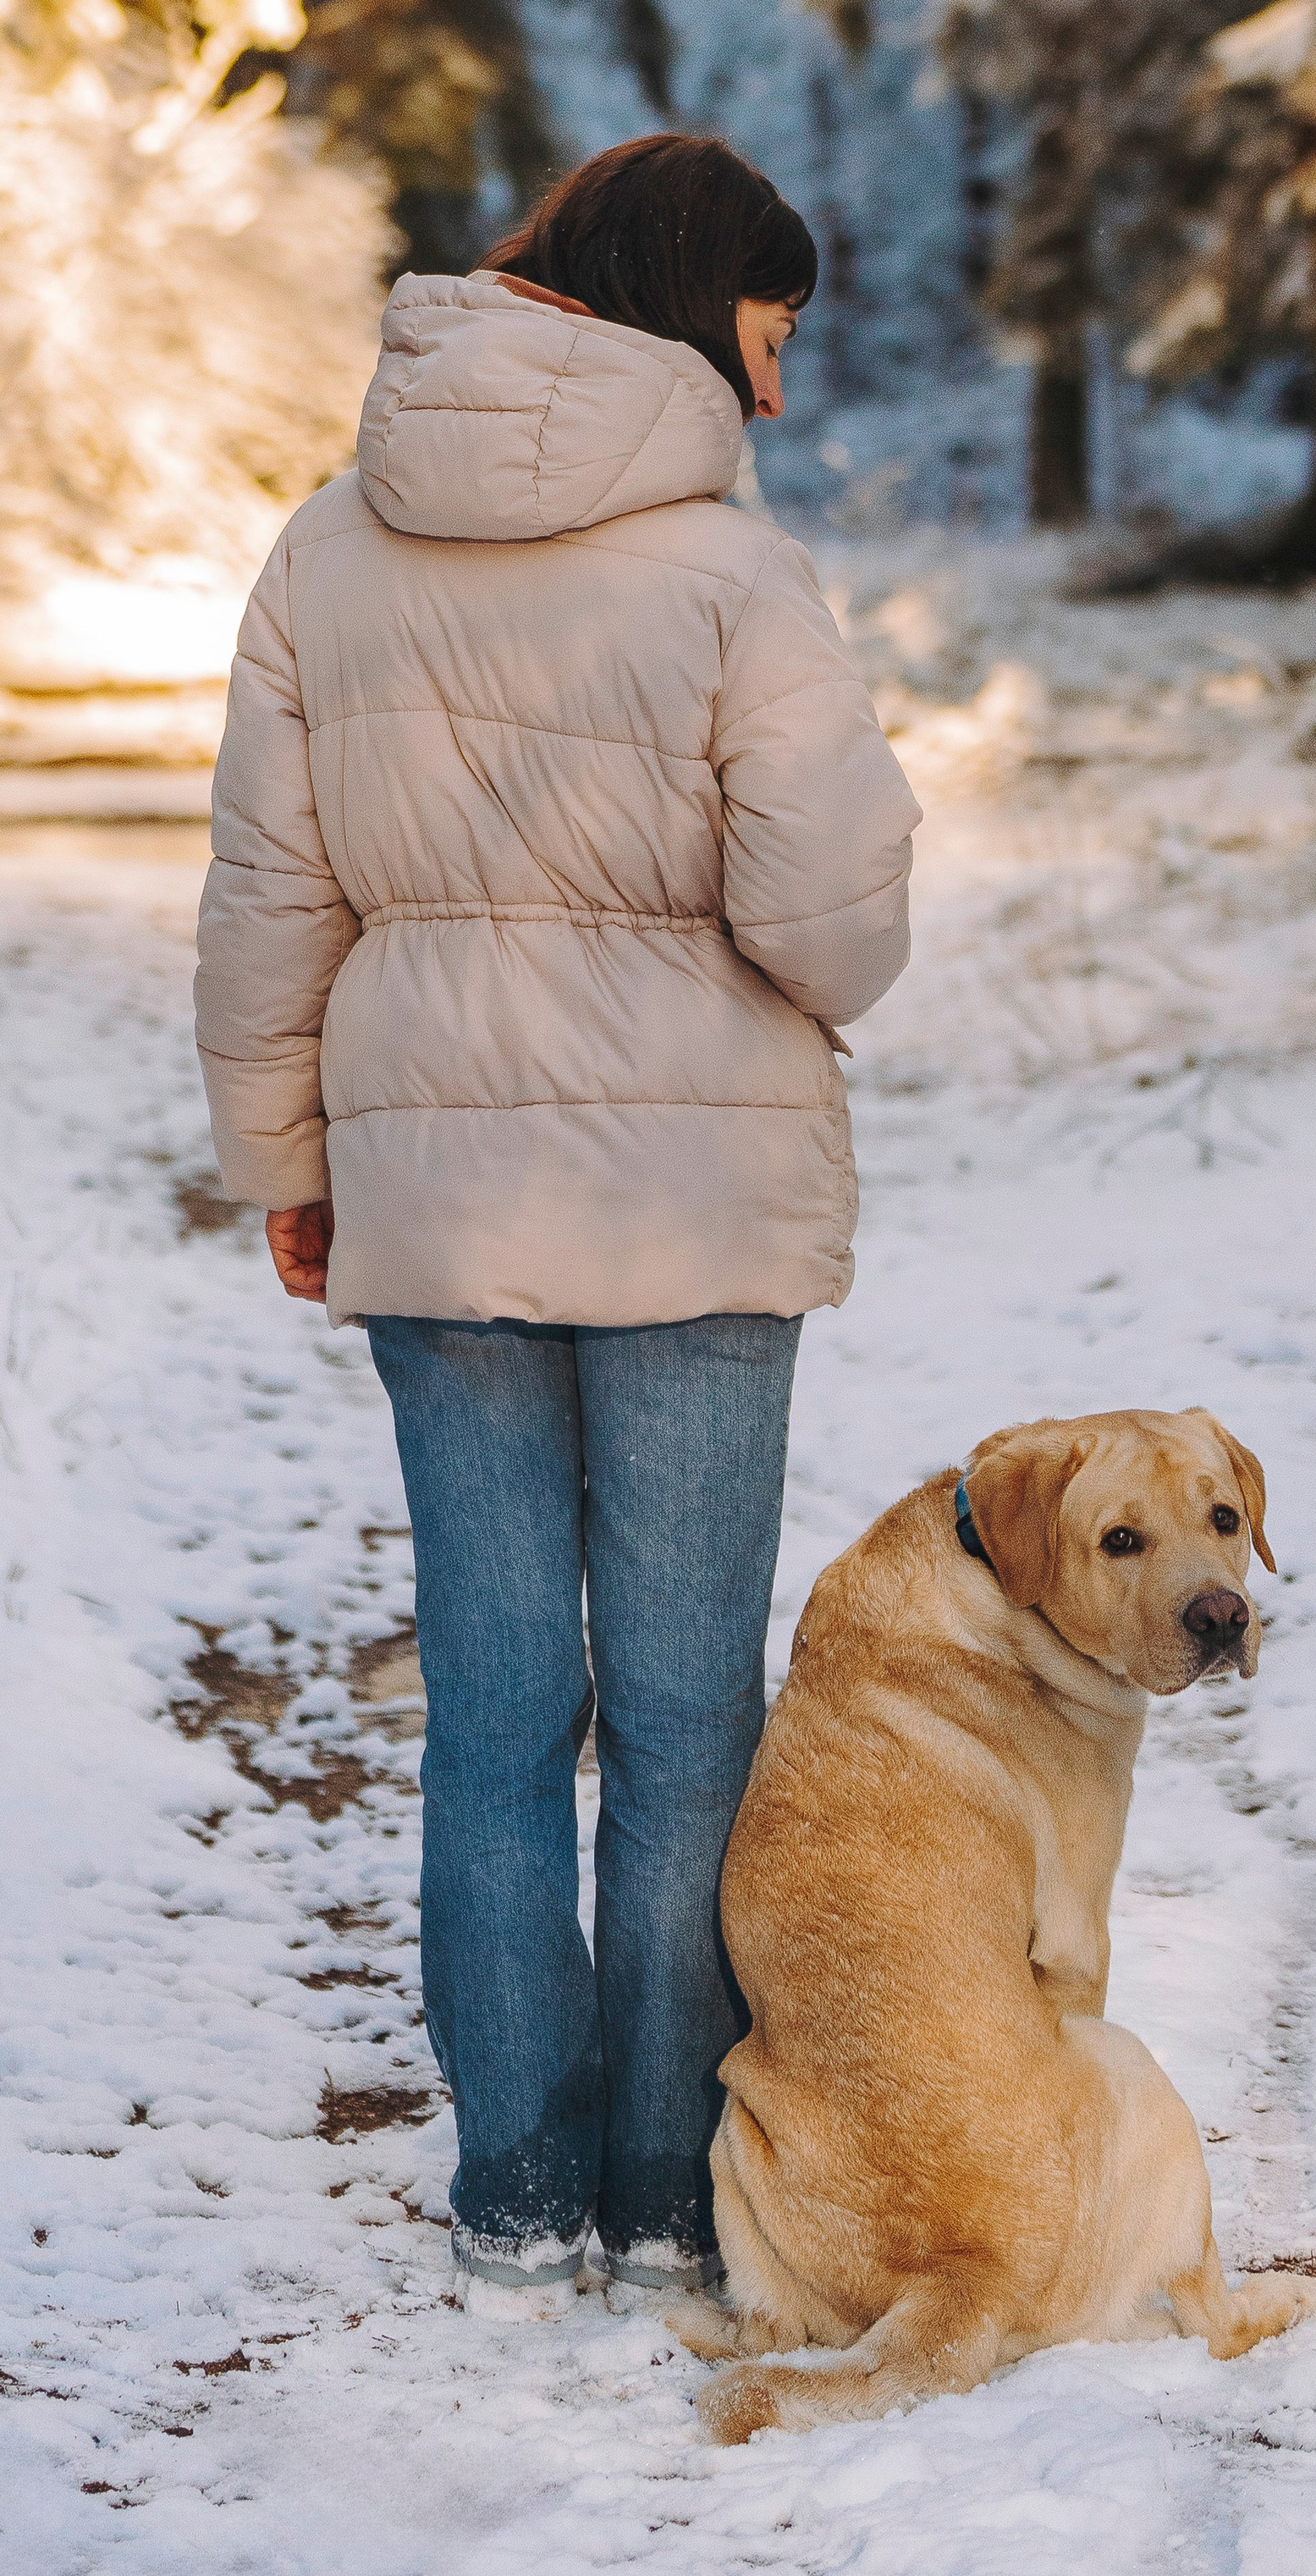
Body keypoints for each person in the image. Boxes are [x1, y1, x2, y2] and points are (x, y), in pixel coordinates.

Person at [193, 133, 921, 2315]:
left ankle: (512, 2185)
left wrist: (287, 1163)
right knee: (689, 1719)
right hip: (695, 1208)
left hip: (435, 1197)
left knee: (495, 1710)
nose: (776, 387)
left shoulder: (328, 547)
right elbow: (833, 931)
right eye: (771, 332)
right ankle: (673, 2188)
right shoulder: (735, 576)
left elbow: (270, 895)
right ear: (703, 305)